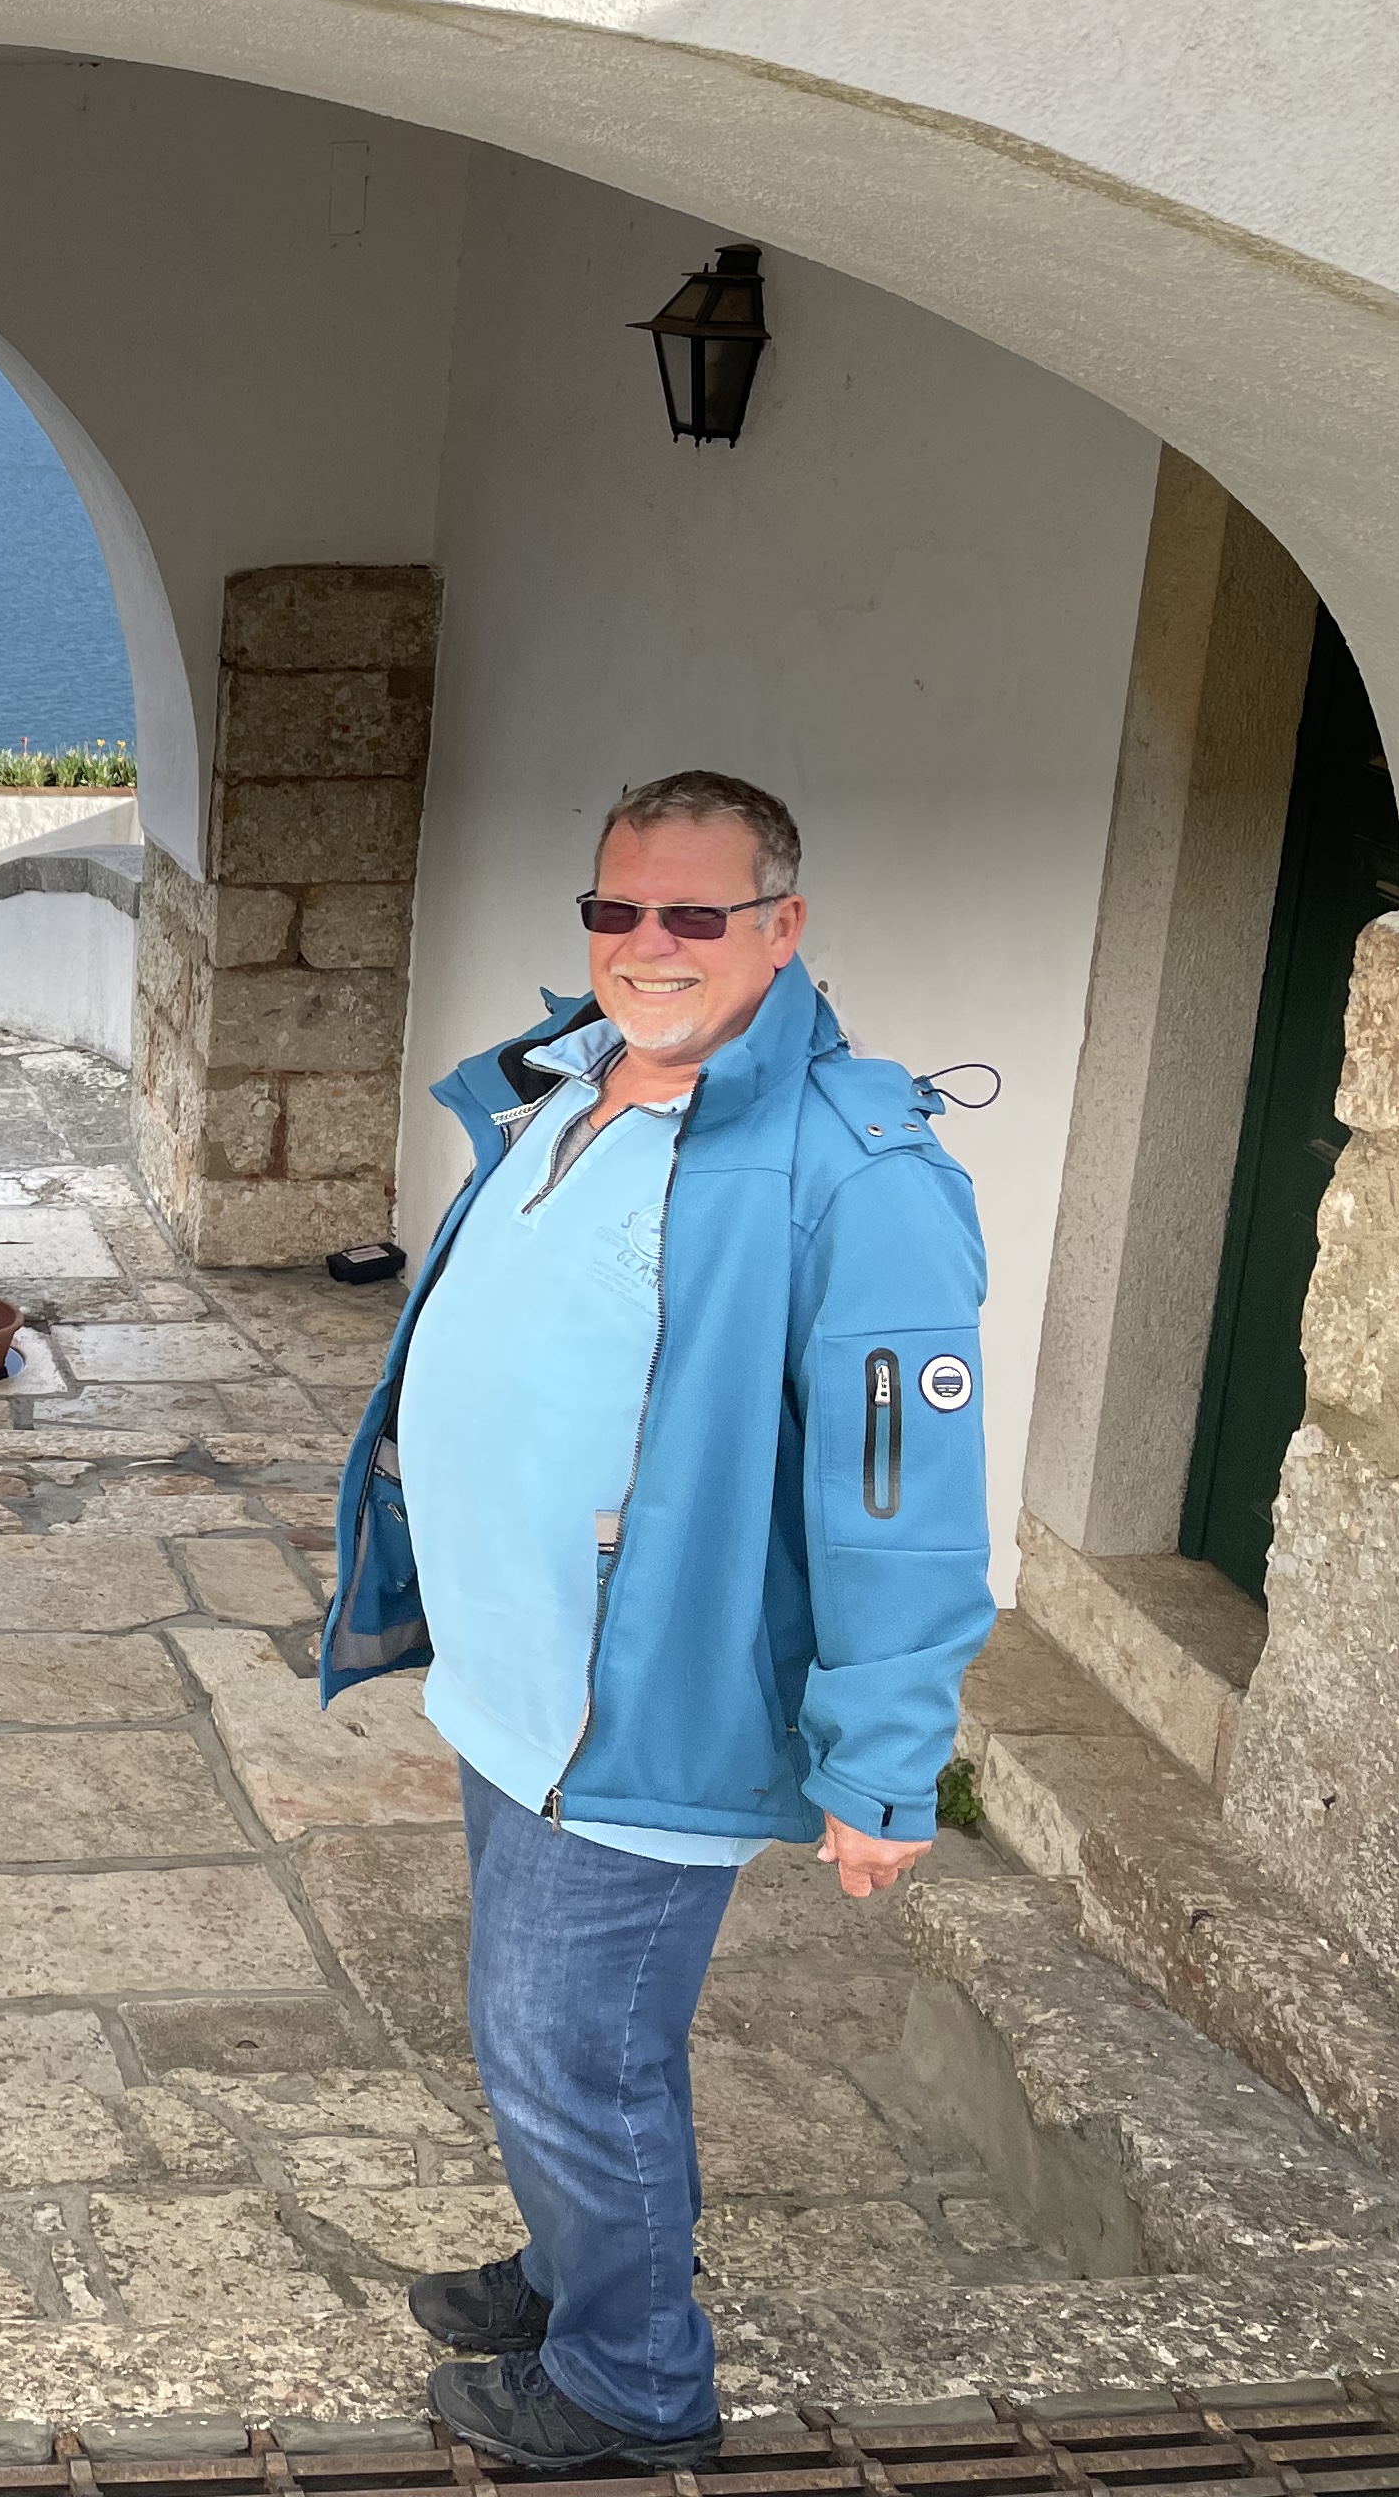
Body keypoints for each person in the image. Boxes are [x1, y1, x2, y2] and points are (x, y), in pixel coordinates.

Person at [321, 770, 994, 2468]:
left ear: (782, 924)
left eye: (696, 912)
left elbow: (900, 1489)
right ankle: (578, 2262)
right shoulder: (572, 1077)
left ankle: (630, 2376)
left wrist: (884, 1758)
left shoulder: (852, 1170)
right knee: (540, 2026)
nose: (649, 943)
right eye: (616, 909)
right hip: (515, 1677)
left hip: (638, 1698)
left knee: (573, 2046)